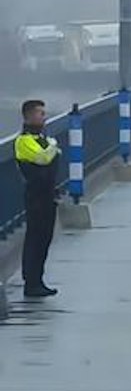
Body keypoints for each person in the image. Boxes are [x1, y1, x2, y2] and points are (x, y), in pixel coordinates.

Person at [14, 99, 61, 297]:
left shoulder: (41, 138)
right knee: (35, 239)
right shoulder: (24, 140)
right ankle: (31, 282)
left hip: (47, 195)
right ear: (29, 116)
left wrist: (51, 148)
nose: (44, 116)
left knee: (44, 239)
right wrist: (53, 148)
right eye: (41, 113)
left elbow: (48, 156)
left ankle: (38, 280)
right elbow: (44, 158)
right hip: (36, 198)